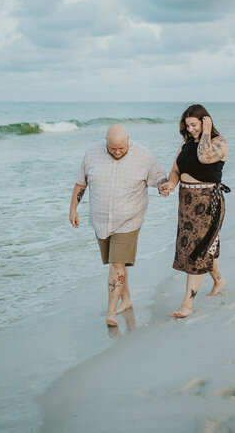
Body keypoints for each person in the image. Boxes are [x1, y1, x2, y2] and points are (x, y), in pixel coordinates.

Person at [70, 124, 168, 327]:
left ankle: (111, 311)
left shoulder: (143, 155)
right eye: (113, 148)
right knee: (117, 263)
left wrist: (163, 187)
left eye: (121, 148)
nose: (117, 152)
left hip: (129, 221)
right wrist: (73, 209)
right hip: (101, 221)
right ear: (105, 141)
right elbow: (81, 183)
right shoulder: (92, 154)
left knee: (116, 265)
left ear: (128, 140)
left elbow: (159, 178)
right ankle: (127, 299)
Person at [160, 104, 230, 318]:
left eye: (194, 124)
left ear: (205, 121)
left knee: (197, 250)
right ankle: (219, 280)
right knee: (202, 248)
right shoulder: (185, 146)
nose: (190, 129)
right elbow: (175, 170)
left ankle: (187, 306)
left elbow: (205, 158)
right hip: (187, 205)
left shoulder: (219, 143)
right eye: (187, 125)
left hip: (208, 204)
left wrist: (207, 132)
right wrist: (170, 185)